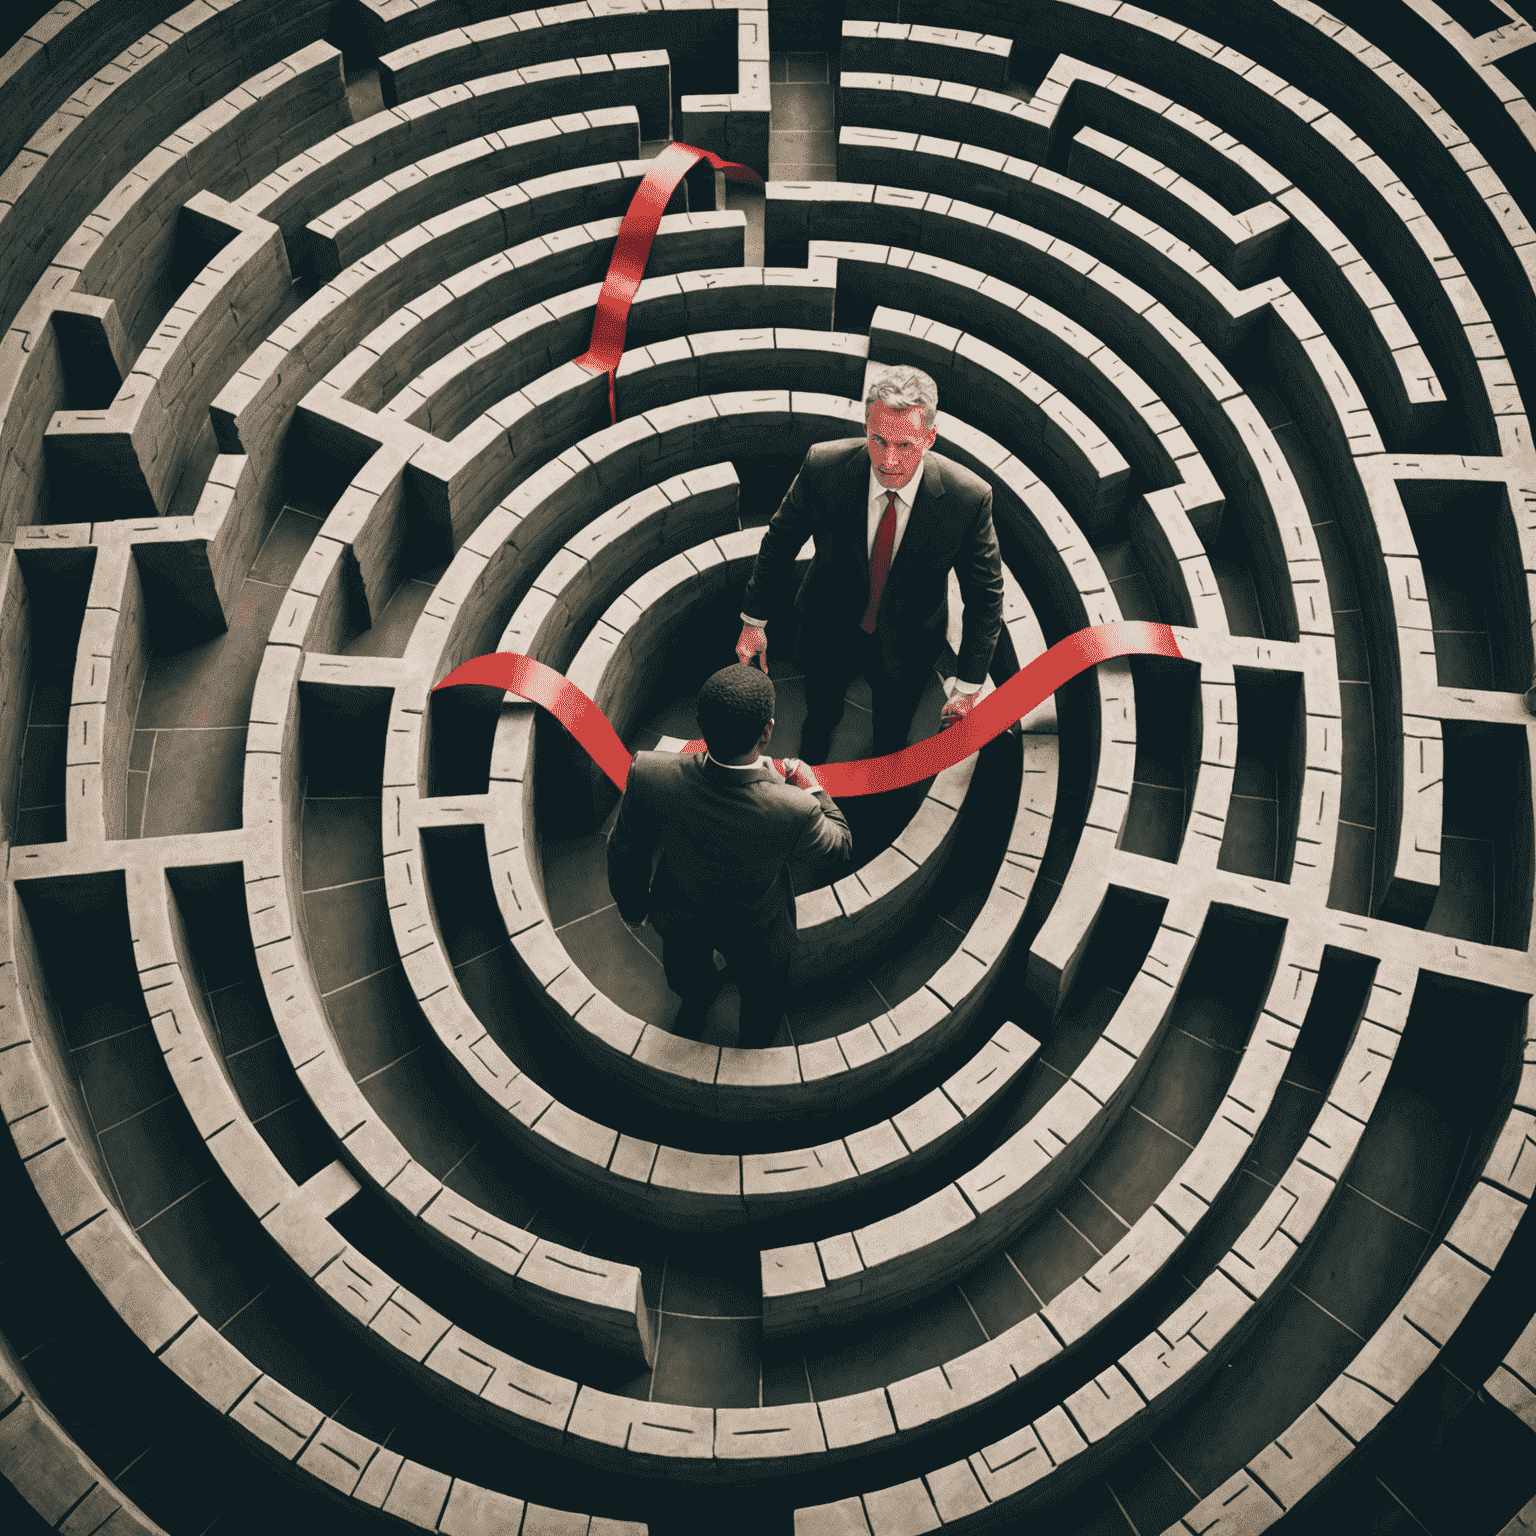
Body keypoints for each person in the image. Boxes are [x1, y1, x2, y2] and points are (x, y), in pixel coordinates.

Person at [735, 365, 1005, 764]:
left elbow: (985, 597)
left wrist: (967, 686)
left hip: (910, 642)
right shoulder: (823, 467)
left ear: (930, 437)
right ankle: (815, 755)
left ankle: (882, 786)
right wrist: (753, 620)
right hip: (828, 625)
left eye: (906, 445)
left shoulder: (968, 499)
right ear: (866, 426)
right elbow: (780, 541)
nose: (888, 460)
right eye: (878, 440)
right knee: (820, 715)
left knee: (893, 732)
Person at [606, 664, 852, 1047]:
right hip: (756, 927)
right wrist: (813, 787)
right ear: (767, 731)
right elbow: (839, 847)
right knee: (762, 999)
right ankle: (754, 1043)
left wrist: (634, 908)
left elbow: (625, 851)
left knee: (689, 978)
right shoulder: (794, 808)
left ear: (701, 723)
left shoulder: (649, 772)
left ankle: (697, 1001)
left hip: (681, 912)